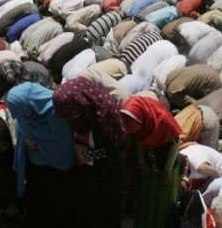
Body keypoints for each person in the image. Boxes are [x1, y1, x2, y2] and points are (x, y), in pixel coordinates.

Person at [52, 77, 127, 228]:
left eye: (71, 114)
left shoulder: (104, 113)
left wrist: (91, 155)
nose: (71, 119)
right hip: (86, 172)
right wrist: (76, 148)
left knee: (104, 213)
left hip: (106, 173)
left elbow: (118, 147)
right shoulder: (76, 110)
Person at [6, 82, 77, 228]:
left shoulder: (55, 110)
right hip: (34, 169)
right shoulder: (24, 112)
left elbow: (62, 140)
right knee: (38, 207)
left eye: (23, 113)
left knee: (55, 209)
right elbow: (22, 127)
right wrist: (26, 139)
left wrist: (37, 143)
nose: (23, 117)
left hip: (55, 171)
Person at [120, 96, 182, 228]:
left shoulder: (162, 120)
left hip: (167, 169)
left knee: (162, 204)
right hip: (149, 168)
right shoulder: (138, 120)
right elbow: (138, 139)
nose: (134, 131)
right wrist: (142, 163)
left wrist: (167, 169)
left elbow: (175, 142)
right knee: (148, 202)